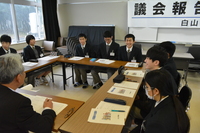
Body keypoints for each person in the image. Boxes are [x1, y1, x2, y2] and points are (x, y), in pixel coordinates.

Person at [0, 54, 56, 133]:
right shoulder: (20, 103)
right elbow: (44, 127)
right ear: (18, 77)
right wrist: (48, 108)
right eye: (23, 72)